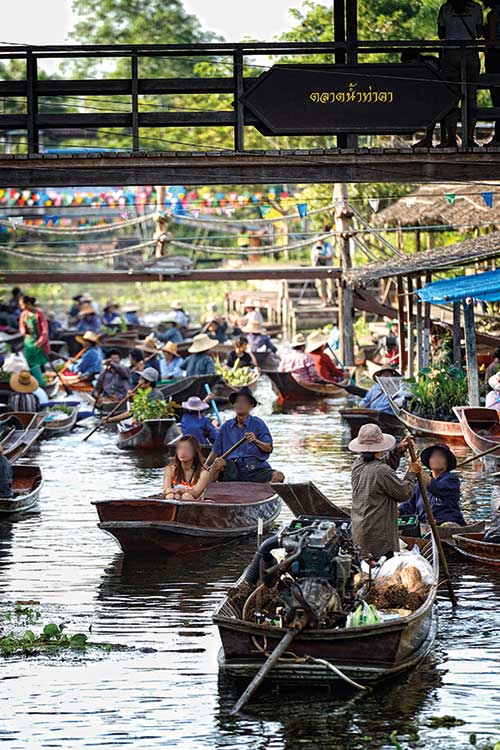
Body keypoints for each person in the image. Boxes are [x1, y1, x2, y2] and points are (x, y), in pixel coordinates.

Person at [349, 425, 421, 560]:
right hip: (378, 537)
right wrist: (411, 473)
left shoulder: (357, 464)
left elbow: (381, 466)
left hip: (360, 531)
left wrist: (398, 451)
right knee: (381, 562)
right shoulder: (381, 471)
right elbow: (404, 493)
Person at [206, 386, 284, 483]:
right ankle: (206, 492)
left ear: (251, 406)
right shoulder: (226, 426)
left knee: (279, 476)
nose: (240, 404)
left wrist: (255, 441)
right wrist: (205, 467)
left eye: (243, 402)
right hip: (232, 470)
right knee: (218, 462)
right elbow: (215, 452)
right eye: (237, 402)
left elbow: (269, 448)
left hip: (254, 469)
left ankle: (264, 494)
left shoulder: (258, 424)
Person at [437, 0, 483, 147]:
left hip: (451, 52)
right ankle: (469, 137)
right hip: (470, 52)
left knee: (451, 96)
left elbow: (441, 34)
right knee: (471, 96)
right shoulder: (476, 8)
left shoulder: (445, 8)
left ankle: (451, 138)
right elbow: (479, 32)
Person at [399, 443, 466, 526]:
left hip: (448, 526)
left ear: (447, 462)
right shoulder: (419, 484)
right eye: (433, 456)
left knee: (446, 525)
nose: (436, 459)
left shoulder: (451, 480)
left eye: (440, 457)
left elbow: (436, 487)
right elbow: (406, 507)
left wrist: (418, 469)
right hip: (425, 528)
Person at [401, 49, 441, 147]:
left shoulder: (428, 64)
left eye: (410, 62)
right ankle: (428, 139)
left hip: (440, 95)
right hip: (431, 95)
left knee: (430, 108)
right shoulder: (422, 65)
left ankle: (428, 139)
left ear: (417, 58)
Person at [162, 435, 215, 501]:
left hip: (194, 503)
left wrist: (179, 490)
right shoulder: (170, 469)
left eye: (187, 448)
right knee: (171, 495)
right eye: (180, 448)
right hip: (175, 497)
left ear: (195, 452)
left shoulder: (204, 472)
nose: (183, 452)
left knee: (186, 496)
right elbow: (166, 490)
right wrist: (174, 493)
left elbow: (195, 493)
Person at [18, 294, 50, 386]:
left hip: (39, 343)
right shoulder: (23, 314)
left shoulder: (39, 313)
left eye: (22, 305)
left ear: (28, 303)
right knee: (30, 364)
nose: (21, 307)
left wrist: (40, 342)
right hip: (28, 343)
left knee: (40, 364)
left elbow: (45, 330)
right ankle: (33, 383)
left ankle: (42, 383)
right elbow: (21, 327)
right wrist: (24, 332)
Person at [484, 0, 500, 145]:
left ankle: (498, 136)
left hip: (496, 58)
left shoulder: (493, 14)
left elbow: (493, 39)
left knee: (497, 97)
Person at [311, 237, 334, 306]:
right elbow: (313, 258)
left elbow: (330, 255)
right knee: (320, 285)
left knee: (330, 284)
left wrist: (322, 257)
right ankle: (324, 301)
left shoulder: (328, 246)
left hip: (328, 268)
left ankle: (330, 300)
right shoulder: (315, 247)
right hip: (319, 268)